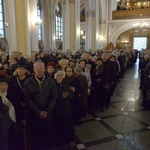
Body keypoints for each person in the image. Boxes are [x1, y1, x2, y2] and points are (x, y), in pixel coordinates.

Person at [23, 60, 57, 150]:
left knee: (48, 135)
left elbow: (54, 97)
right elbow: (28, 99)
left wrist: (47, 111)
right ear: (33, 69)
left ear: (44, 68)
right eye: (36, 67)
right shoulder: (28, 82)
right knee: (36, 137)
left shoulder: (50, 81)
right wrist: (38, 112)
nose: (39, 69)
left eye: (41, 67)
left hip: (48, 114)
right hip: (34, 115)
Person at [54, 70, 74, 146]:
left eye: (61, 75)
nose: (60, 77)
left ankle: (68, 139)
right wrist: (61, 97)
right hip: (58, 110)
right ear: (55, 77)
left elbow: (71, 94)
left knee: (68, 125)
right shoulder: (53, 85)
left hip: (67, 108)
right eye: (58, 76)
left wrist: (68, 95)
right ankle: (61, 141)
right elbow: (52, 97)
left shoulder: (66, 83)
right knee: (60, 127)